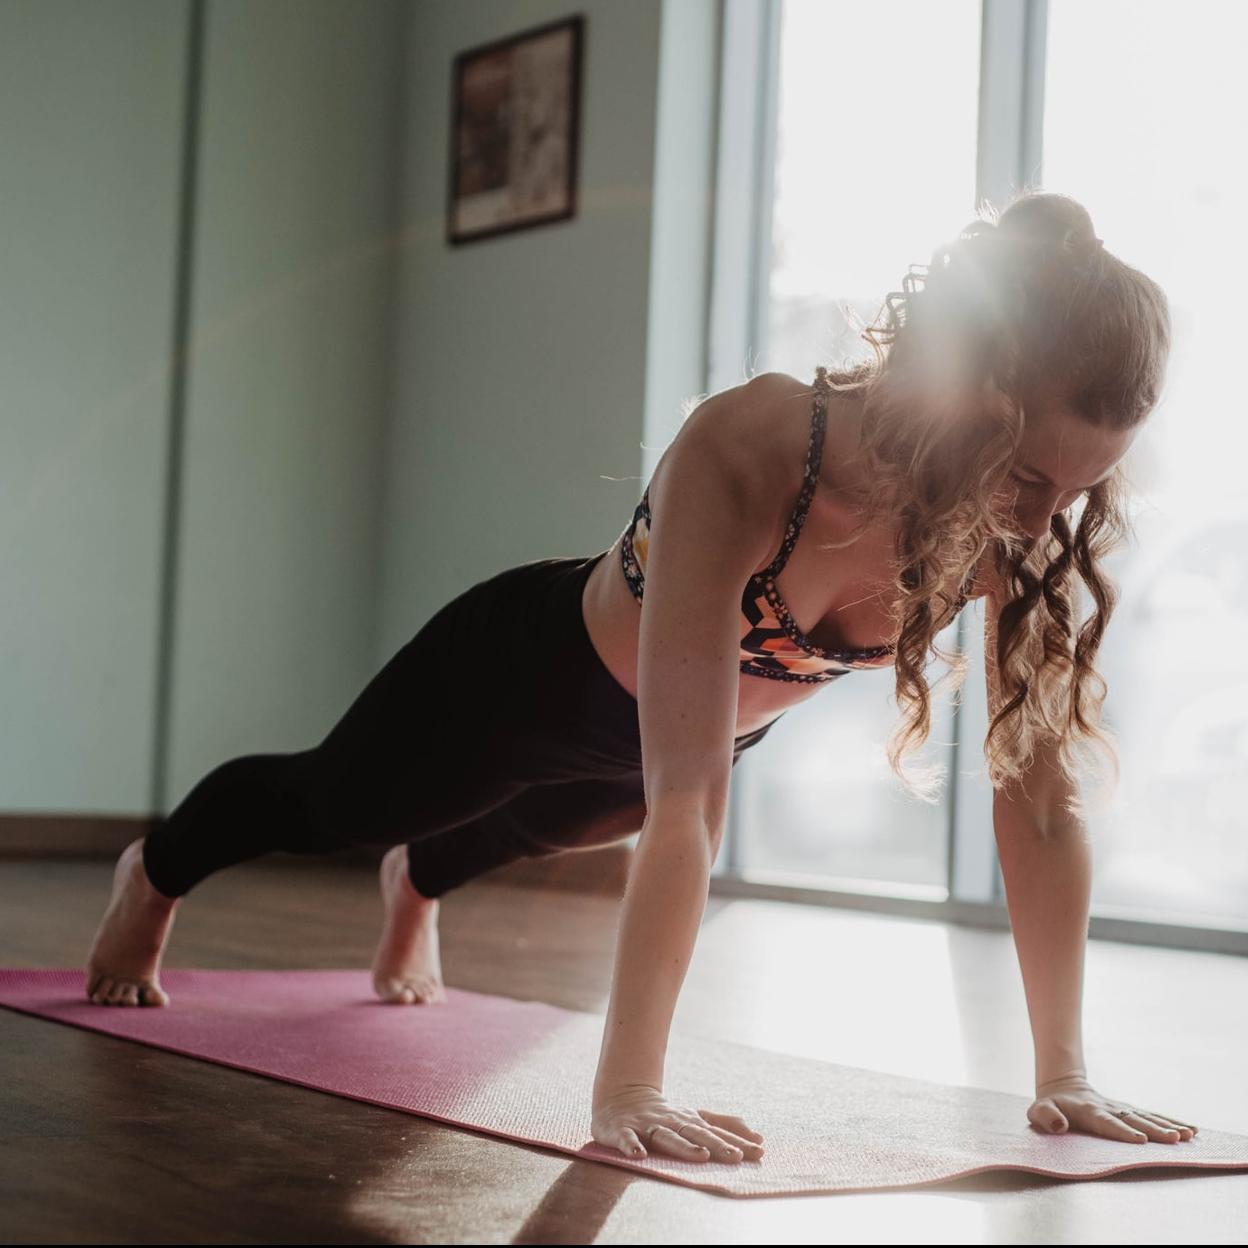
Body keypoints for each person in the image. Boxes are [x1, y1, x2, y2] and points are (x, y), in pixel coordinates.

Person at [83, 190, 1198, 1164]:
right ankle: (156, 872)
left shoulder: (1009, 529)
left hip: (644, 753)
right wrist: (628, 1088)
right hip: (519, 677)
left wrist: (1066, 1075)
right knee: (337, 802)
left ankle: (416, 885)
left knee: (535, 831)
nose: (1043, 519)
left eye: (1078, 492)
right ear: (975, 393)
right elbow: (689, 805)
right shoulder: (754, 444)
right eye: (1033, 472)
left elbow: (1040, 804)